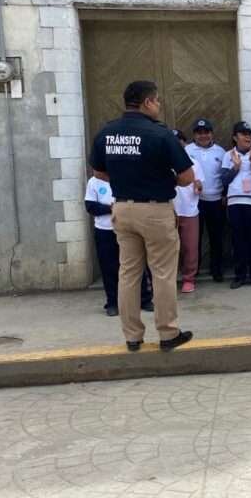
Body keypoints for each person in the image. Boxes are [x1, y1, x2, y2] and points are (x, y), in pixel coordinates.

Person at [89, 80, 194, 352]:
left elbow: (98, 172)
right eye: (157, 100)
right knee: (162, 273)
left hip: (122, 208)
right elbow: (187, 178)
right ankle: (168, 333)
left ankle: (132, 337)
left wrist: (125, 179)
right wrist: (161, 178)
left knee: (128, 273)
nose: (159, 105)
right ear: (147, 102)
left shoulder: (107, 132)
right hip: (155, 210)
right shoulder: (160, 134)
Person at [85, 175, 154, 316]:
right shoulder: (93, 181)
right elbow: (90, 206)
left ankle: (144, 299)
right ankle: (113, 303)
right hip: (105, 231)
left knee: (136, 265)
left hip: (128, 229)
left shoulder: (124, 175)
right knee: (109, 268)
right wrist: (110, 208)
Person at [221, 121, 251, 289]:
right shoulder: (228, 155)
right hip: (235, 201)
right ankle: (240, 276)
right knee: (238, 239)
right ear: (235, 137)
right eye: (244, 134)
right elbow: (224, 180)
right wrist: (235, 167)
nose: (248, 137)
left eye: (250, 134)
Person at [185, 119, 227, 283]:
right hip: (194, 201)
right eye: (199, 133)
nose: (203, 136)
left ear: (212, 133)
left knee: (217, 237)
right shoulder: (187, 150)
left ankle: (217, 269)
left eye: (206, 132)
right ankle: (193, 270)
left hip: (216, 201)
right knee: (194, 239)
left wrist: (225, 194)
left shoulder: (221, 152)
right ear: (194, 135)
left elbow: (225, 176)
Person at [172, 130, 204, 294]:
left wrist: (198, 187)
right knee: (167, 248)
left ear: (185, 144)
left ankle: (188, 279)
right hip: (169, 211)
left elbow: (200, 186)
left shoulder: (194, 163)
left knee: (190, 247)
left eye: (180, 141)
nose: (178, 145)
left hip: (189, 210)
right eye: (174, 141)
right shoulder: (163, 162)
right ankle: (168, 280)